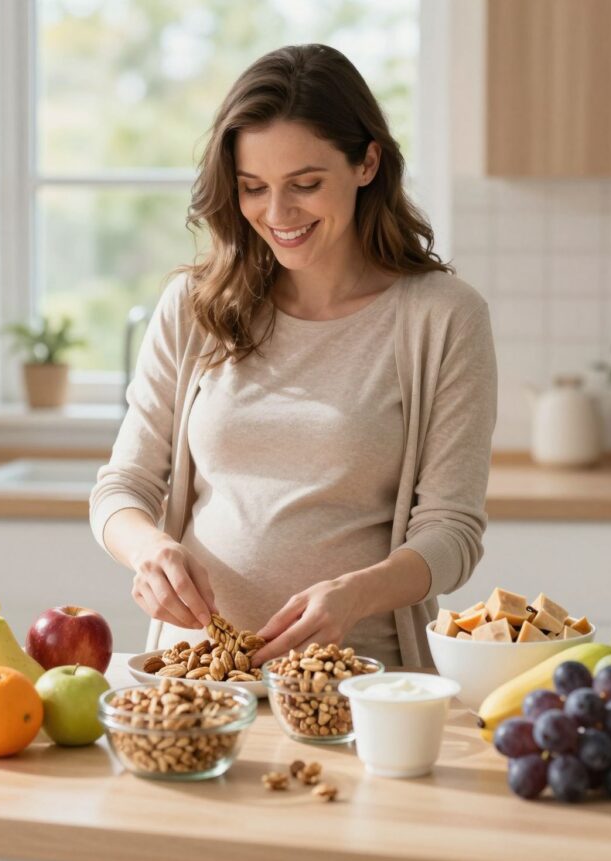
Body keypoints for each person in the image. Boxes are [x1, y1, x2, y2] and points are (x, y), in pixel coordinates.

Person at [89, 43, 496, 668]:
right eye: (253, 188)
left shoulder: (441, 317)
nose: (278, 215)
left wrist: (354, 595)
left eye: (306, 185)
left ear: (367, 164)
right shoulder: (195, 306)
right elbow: (123, 487)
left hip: (358, 680)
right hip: (198, 678)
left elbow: (452, 533)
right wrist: (148, 550)